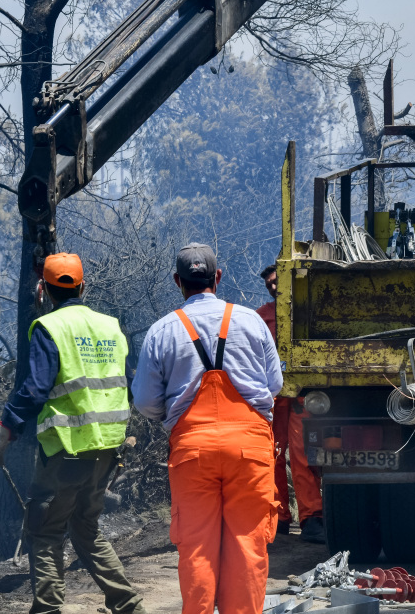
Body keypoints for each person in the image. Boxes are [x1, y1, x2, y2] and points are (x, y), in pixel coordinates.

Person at [0, 253, 145, 614]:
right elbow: (130, 383)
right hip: (108, 449)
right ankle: (129, 604)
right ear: (83, 287)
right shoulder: (110, 327)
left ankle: (48, 609)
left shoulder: (49, 328)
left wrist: (3, 432)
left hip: (67, 451)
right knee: (85, 527)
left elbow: (35, 389)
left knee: (44, 529)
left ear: (43, 290)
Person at [132, 244, 282, 614]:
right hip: (249, 448)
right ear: (218, 277)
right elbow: (274, 384)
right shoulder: (251, 321)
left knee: (197, 548)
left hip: (192, 452)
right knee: (248, 546)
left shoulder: (162, 331)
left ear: (177, 282)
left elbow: (146, 403)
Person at [256, 265, 325, 543]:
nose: (273, 287)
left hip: (300, 394)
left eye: (276, 281)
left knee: (302, 454)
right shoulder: (260, 317)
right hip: (273, 396)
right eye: (268, 284)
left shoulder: (307, 311)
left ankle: (311, 518)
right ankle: (278, 518)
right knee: (269, 454)